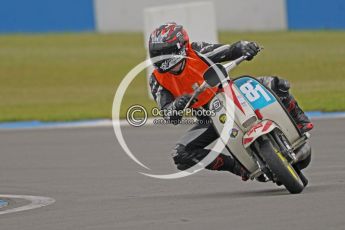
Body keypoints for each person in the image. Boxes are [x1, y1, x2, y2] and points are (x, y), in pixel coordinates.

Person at [148, 22, 313, 180]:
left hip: (232, 92)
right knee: (180, 155)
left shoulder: (197, 51)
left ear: (182, 48)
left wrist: (246, 47)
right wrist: (177, 105)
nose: (165, 64)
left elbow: (228, 50)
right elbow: (169, 115)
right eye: (159, 58)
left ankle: (300, 122)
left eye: (168, 57)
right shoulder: (157, 80)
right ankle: (237, 167)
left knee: (277, 84)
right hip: (210, 116)